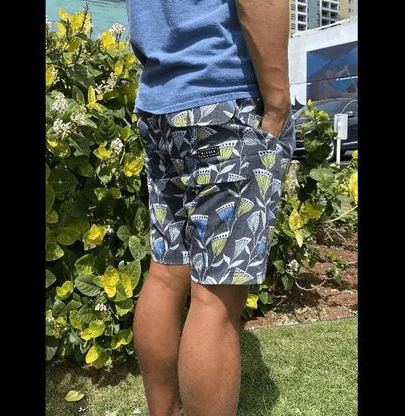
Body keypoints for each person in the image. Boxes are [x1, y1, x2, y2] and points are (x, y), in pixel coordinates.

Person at [125, 1, 295, 415]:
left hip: (159, 106)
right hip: (224, 102)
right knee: (215, 299)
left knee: (165, 275)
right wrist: (277, 106)